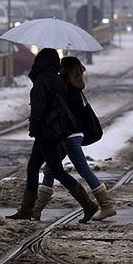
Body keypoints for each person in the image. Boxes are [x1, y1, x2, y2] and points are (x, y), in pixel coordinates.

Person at [7, 48, 98, 222]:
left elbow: (40, 108)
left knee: (56, 170)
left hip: (45, 132)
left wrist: (35, 127)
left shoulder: (42, 80)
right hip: (55, 132)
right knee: (33, 168)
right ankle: (27, 209)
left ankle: (88, 204)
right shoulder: (58, 80)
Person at [33, 56, 116, 221]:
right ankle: (36, 210)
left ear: (64, 69)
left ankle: (106, 206)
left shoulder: (64, 87)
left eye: (61, 67)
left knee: (82, 169)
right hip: (76, 134)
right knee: (50, 168)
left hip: (67, 135)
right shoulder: (77, 87)